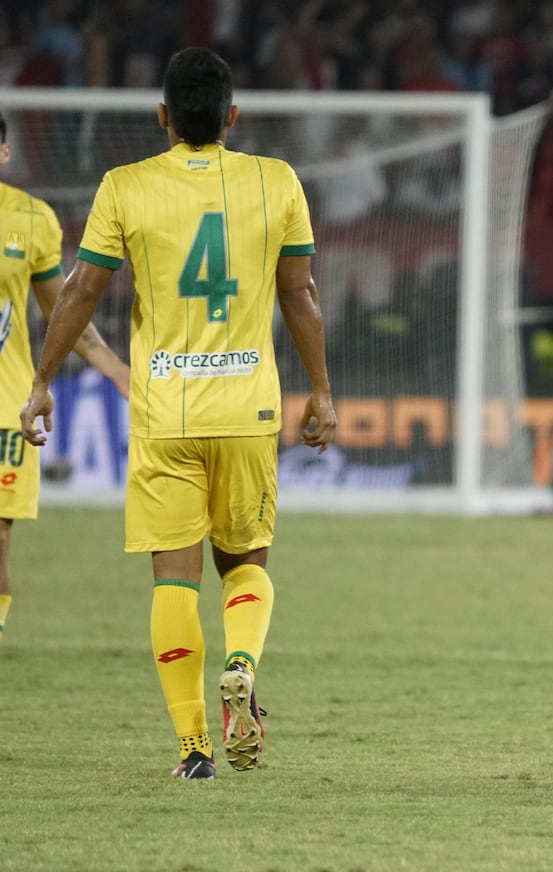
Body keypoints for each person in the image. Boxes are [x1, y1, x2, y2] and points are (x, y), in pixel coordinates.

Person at [19, 47, 337, 779]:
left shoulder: (124, 187)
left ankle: (194, 750)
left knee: (173, 580)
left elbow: (79, 292)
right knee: (246, 563)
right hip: (248, 408)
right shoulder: (276, 180)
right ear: (232, 117)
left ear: (162, 116)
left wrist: (42, 381)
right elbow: (301, 294)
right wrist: (320, 391)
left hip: (165, 412)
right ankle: (240, 663)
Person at [0, 112, 130, 643]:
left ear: (5, 153)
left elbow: (67, 315)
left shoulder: (31, 220)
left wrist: (121, 374)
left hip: (4, 406)